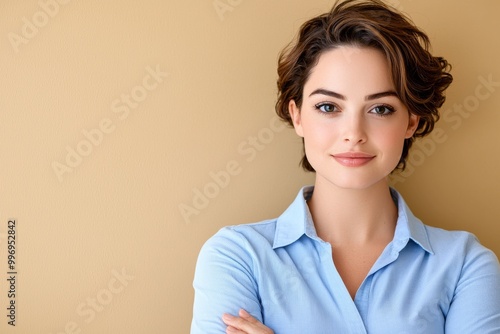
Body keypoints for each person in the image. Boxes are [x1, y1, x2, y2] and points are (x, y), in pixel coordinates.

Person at [191, 0, 500, 333]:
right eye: (328, 106)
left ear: (411, 121)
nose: (354, 134)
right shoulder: (237, 257)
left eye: (380, 109)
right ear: (297, 116)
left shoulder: (466, 265)